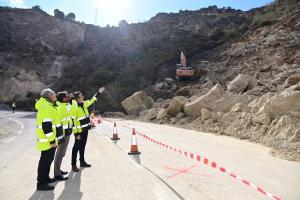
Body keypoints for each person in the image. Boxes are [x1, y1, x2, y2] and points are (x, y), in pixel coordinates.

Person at [71, 87, 105, 172]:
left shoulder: (84, 103)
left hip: (85, 129)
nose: (83, 96)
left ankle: (82, 161)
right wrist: (76, 134)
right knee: (76, 148)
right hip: (79, 132)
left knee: (82, 147)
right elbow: (73, 122)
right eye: (81, 95)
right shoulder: (74, 108)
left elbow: (92, 100)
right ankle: (73, 165)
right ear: (78, 98)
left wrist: (98, 93)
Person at [35, 88, 60, 191]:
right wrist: (52, 141)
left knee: (47, 161)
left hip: (48, 141)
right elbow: (47, 126)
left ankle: (45, 178)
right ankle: (41, 183)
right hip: (48, 142)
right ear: (49, 96)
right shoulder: (47, 107)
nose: (55, 96)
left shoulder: (49, 106)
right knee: (45, 162)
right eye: (54, 94)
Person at [53, 91, 72, 181]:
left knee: (62, 153)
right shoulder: (59, 107)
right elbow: (57, 122)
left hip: (67, 132)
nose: (68, 97)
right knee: (59, 153)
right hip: (62, 134)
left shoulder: (65, 105)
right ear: (63, 98)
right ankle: (57, 174)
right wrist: (60, 135)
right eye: (67, 96)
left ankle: (58, 170)